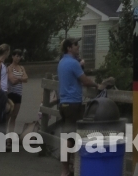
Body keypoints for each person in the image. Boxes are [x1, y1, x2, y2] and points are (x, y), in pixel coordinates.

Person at [58, 38, 111, 176]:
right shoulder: (73, 63)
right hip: (73, 104)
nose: (78, 47)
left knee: (67, 137)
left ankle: (68, 169)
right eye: (75, 45)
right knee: (72, 138)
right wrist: (97, 85)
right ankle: (67, 170)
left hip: (63, 103)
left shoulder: (62, 62)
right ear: (69, 48)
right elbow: (85, 80)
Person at [7, 49, 28, 132]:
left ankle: (11, 134)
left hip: (18, 94)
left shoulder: (21, 68)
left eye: (19, 56)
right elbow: (12, 81)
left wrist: (18, 78)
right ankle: (3, 134)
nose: (18, 58)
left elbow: (26, 79)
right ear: (13, 56)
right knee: (8, 115)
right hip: (11, 94)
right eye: (17, 56)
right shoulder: (9, 68)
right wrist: (21, 78)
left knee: (14, 116)